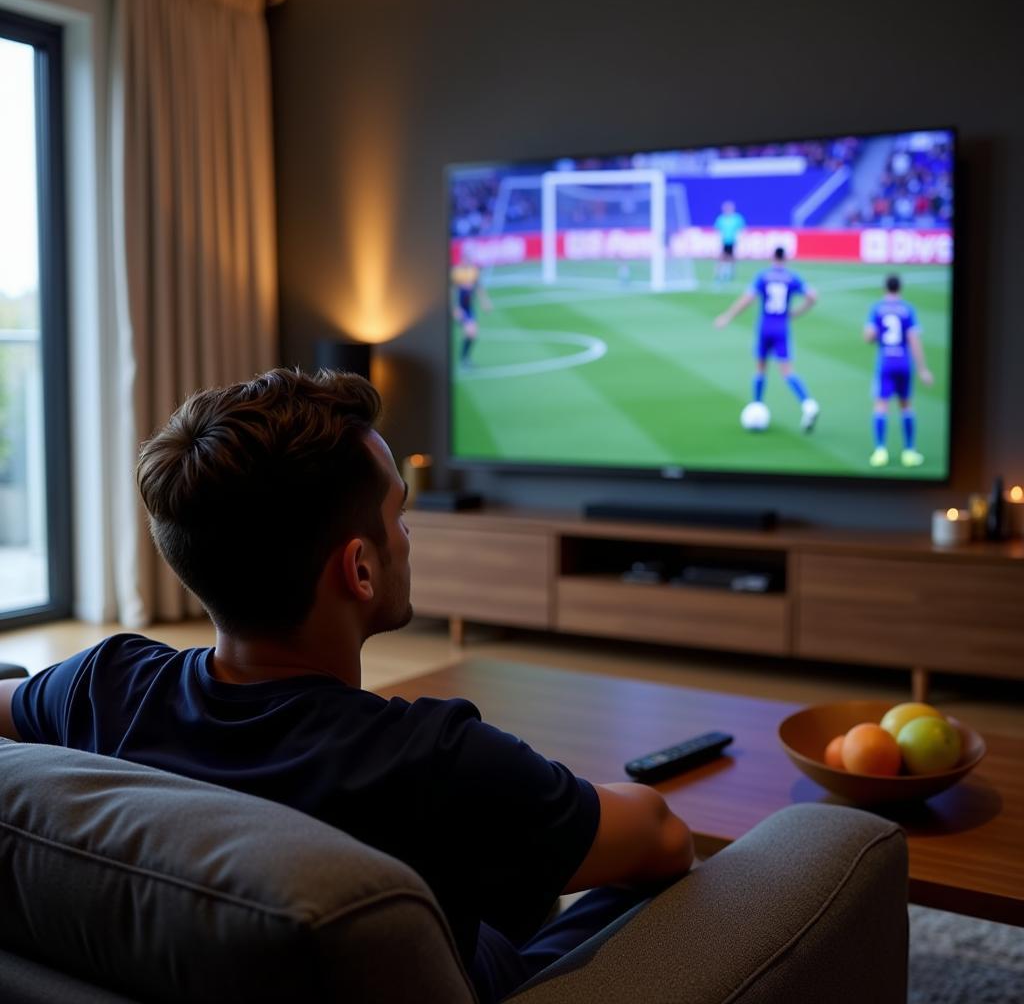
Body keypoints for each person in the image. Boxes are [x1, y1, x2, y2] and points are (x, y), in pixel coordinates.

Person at [0, 368, 693, 1004]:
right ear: (359, 570)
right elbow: (662, 837)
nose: (409, 533)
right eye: (398, 512)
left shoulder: (101, 682)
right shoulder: (436, 761)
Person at [714, 247, 821, 432]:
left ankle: (757, 405)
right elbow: (813, 296)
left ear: (772, 258)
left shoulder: (763, 276)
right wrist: (797, 312)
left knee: (760, 369)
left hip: (765, 326)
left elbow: (747, 300)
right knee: (787, 371)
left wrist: (727, 316)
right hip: (782, 327)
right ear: (785, 259)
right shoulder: (792, 277)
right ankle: (808, 404)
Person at [864, 274, 934, 467]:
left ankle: (880, 451)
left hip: (885, 361)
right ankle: (909, 452)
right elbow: (914, 340)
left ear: (884, 288)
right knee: (906, 406)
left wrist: (877, 334)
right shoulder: (907, 309)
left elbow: (868, 336)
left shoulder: (877, 308)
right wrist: (923, 369)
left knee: (881, 406)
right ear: (900, 288)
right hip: (904, 362)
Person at [451, 242, 491, 368]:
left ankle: (464, 359)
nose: (469, 258)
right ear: (463, 256)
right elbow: (451, 291)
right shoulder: (456, 272)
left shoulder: (473, 271)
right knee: (470, 332)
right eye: (468, 255)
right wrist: (454, 308)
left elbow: (478, 287)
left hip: (469, 307)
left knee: (472, 333)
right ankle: (464, 360)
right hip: (460, 307)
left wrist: (485, 302)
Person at [713, 199, 745, 285]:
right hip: (723, 241)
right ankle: (718, 276)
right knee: (721, 258)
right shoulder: (721, 218)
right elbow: (717, 230)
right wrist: (718, 241)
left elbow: (741, 230)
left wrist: (739, 240)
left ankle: (730, 274)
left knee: (732, 259)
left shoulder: (737, 218)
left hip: (733, 241)